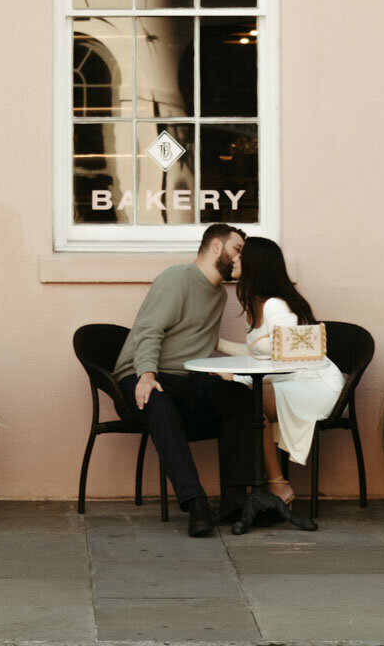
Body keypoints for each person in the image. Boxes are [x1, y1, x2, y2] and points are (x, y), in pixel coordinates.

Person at [114, 222, 250, 537]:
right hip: (142, 373)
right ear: (217, 247)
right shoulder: (177, 279)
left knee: (240, 397)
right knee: (158, 403)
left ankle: (234, 499)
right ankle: (195, 502)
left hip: (186, 379)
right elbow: (149, 330)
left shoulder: (218, 295)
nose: (242, 259)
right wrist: (146, 375)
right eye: (238, 250)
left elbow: (205, 342)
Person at [218, 236, 345, 505]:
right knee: (243, 401)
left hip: (314, 383)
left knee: (246, 401)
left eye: (241, 254)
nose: (236, 259)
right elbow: (257, 353)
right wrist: (212, 342)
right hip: (294, 380)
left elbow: (286, 358)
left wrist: (238, 377)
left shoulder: (276, 306)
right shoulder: (256, 304)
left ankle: (277, 486)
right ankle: (268, 485)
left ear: (256, 263)